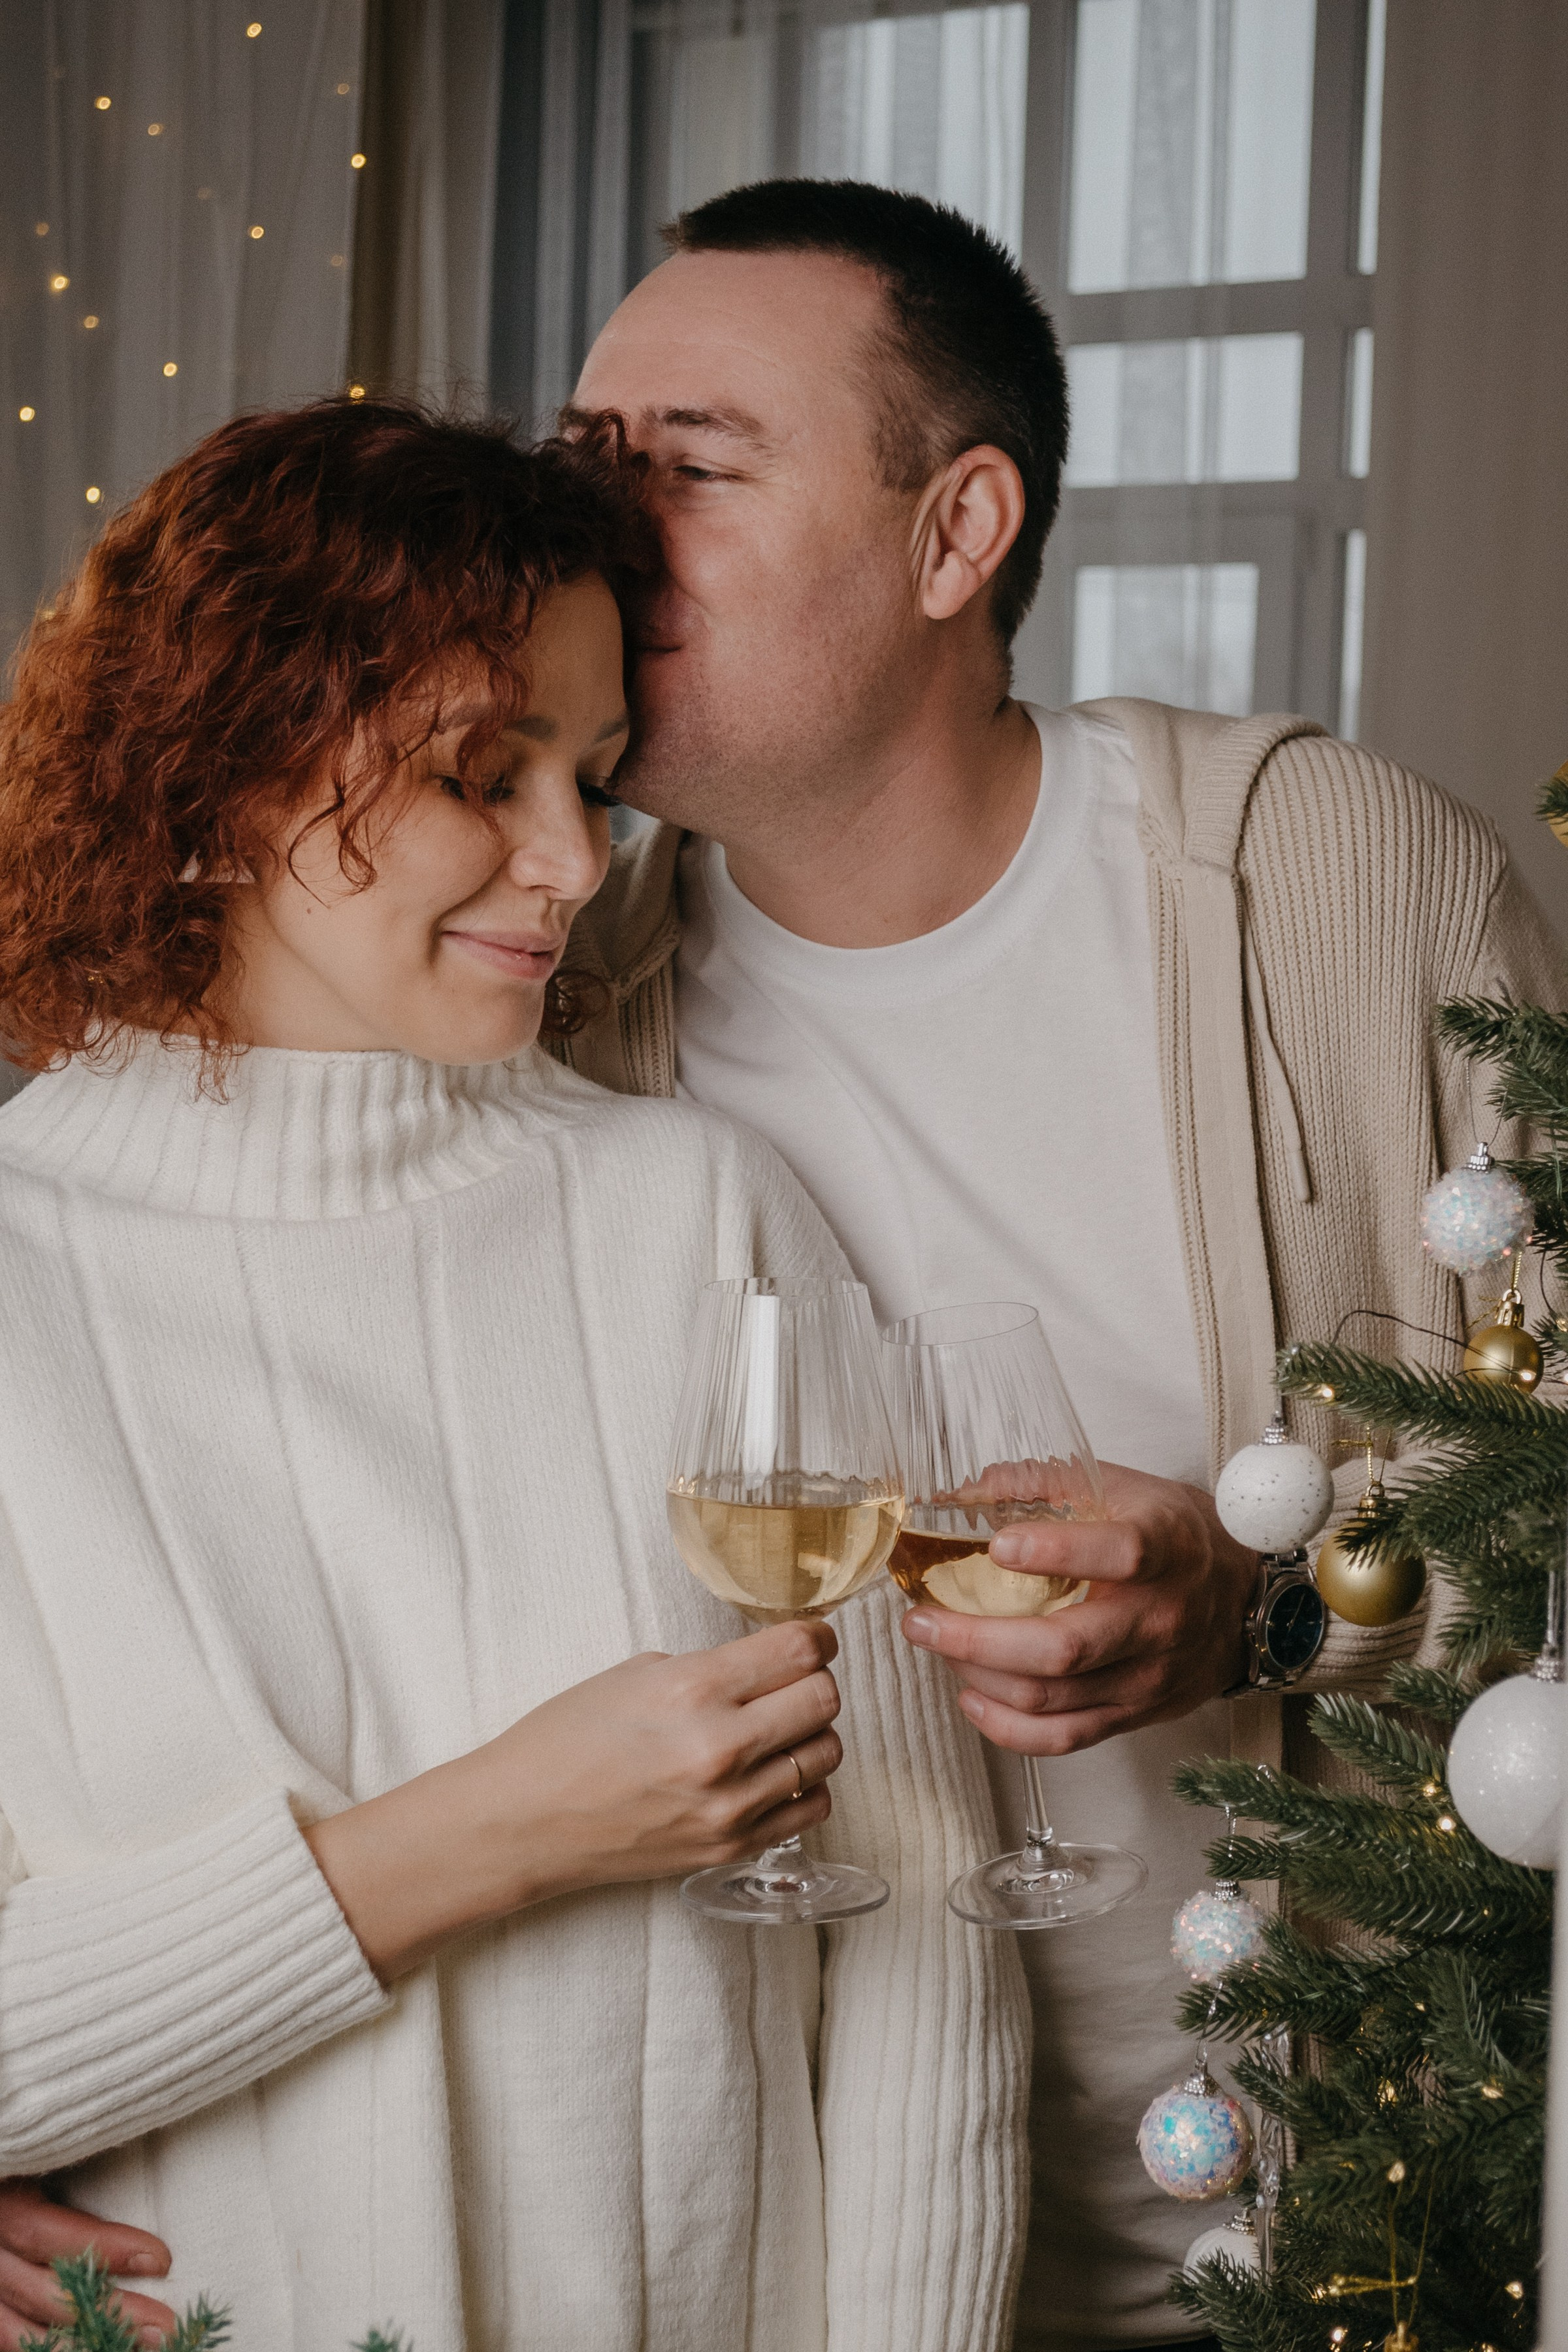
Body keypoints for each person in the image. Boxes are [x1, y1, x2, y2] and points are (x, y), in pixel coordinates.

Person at [540, 180, 1558, 2349]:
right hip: (817, 2276)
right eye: (581, 463)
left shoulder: (1322, 880)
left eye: (693, 467)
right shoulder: (548, 1010)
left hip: (1370, 2231)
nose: (598, 529)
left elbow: (1557, 1491)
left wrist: (1273, 1602)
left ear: (954, 531)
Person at [0, 397, 1027, 2352]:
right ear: (222, 767)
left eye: (601, 781)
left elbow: (915, 1953)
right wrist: (501, 1830)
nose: (570, 863)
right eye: (487, 771)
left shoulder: (699, 1216)